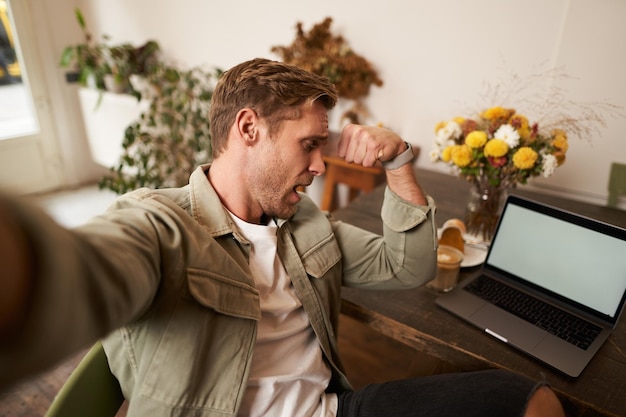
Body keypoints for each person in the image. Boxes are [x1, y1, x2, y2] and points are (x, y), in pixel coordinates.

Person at [0, 58, 564, 417]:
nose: (321, 166)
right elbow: (82, 272)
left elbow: (409, 264)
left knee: (532, 400)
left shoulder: (305, 227)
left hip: (332, 409)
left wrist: (398, 160)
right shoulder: (162, 225)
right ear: (248, 129)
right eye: (309, 145)